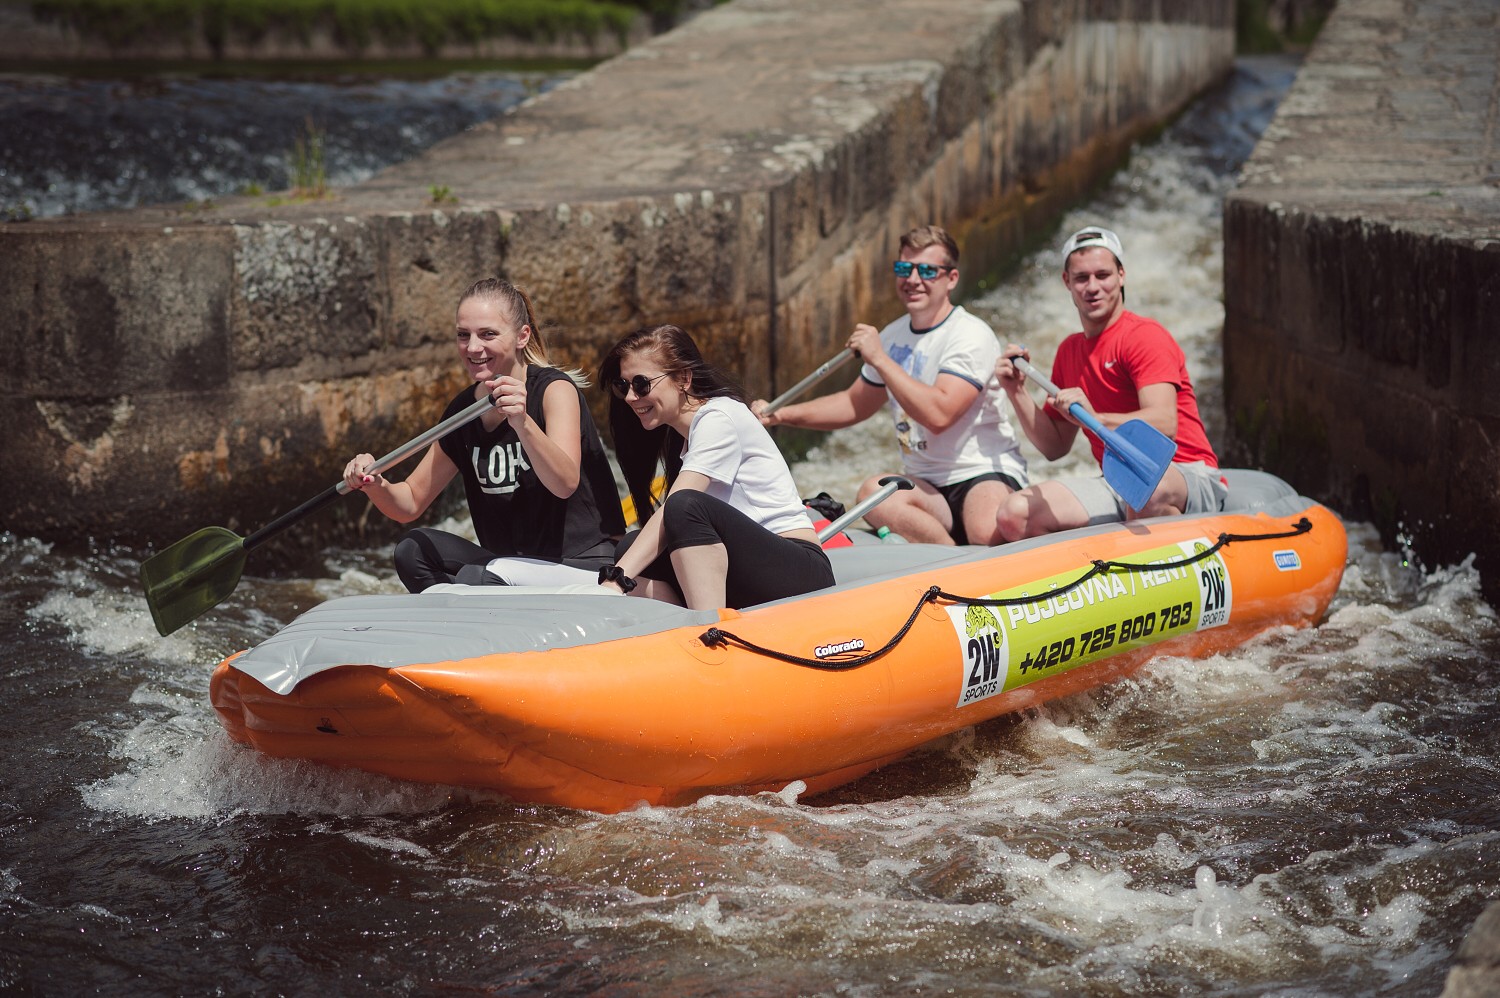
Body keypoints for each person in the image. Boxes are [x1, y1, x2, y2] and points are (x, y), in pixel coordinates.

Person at [342, 277, 625, 591]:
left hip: (582, 563)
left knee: (478, 578)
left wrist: (522, 423)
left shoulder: (553, 390)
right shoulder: (463, 410)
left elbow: (564, 483)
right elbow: (409, 503)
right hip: (508, 567)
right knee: (413, 550)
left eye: (487, 334)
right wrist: (374, 483)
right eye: (463, 335)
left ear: (522, 336)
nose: (472, 348)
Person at [751, 224, 1027, 545]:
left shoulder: (970, 335)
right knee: (873, 493)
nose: (912, 279)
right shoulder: (893, 335)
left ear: (951, 279)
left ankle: (972, 564)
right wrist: (781, 415)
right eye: (903, 268)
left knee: (983, 529)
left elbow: (939, 415)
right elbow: (855, 404)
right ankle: (950, 563)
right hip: (927, 484)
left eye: (926, 270)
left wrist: (880, 359)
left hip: (981, 472)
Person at [993, 226, 1225, 540]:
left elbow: (1164, 422)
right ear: (1067, 283)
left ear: (1121, 275)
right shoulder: (1069, 351)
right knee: (1014, 515)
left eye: (1103, 275)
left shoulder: (1144, 336)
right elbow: (1054, 447)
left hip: (1183, 473)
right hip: (1118, 481)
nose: (1093, 287)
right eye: (1081, 278)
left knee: (1145, 491)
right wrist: (1016, 390)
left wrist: (1097, 419)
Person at [596, 324, 835, 610]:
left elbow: (678, 506)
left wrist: (615, 581)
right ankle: (676, 629)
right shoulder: (682, 437)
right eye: (623, 386)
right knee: (630, 546)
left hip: (799, 570)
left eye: (641, 384)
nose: (631, 397)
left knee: (684, 507)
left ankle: (708, 630)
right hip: (746, 569)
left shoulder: (720, 417)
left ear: (683, 378)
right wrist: (622, 574)